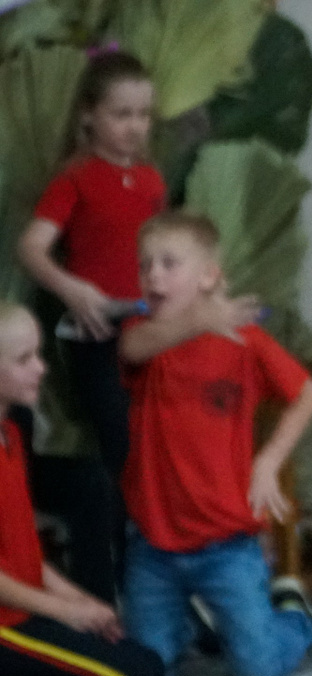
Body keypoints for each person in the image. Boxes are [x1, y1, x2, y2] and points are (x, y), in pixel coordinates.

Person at [116, 213, 312, 676]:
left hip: (227, 545)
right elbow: (131, 348)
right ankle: (193, 624)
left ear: (209, 276)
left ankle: (294, 614)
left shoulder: (246, 341)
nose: (153, 275)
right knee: (149, 669)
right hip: (153, 547)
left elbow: (306, 394)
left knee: (258, 667)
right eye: (145, 265)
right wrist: (198, 320)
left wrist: (268, 462)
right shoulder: (146, 333)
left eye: (169, 264)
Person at [15, 51, 163, 604]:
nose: (135, 127)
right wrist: (73, 289)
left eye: (143, 115)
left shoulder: (150, 179)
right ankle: (120, 580)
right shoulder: (76, 178)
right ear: (88, 116)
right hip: (99, 338)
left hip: (150, 335)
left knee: (151, 450)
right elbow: (32, 248)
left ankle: (159, 572)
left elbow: (159, 252)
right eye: (122, 114)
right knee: (122, 451)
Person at [0, 302, 163, 676]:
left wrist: (81, 602)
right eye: (24, 359)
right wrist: (63, 611)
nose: (41, 368)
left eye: (38, 354)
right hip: (6, 624)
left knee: (145, 658)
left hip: (23, 612)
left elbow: (25, 556)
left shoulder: (11, 434)